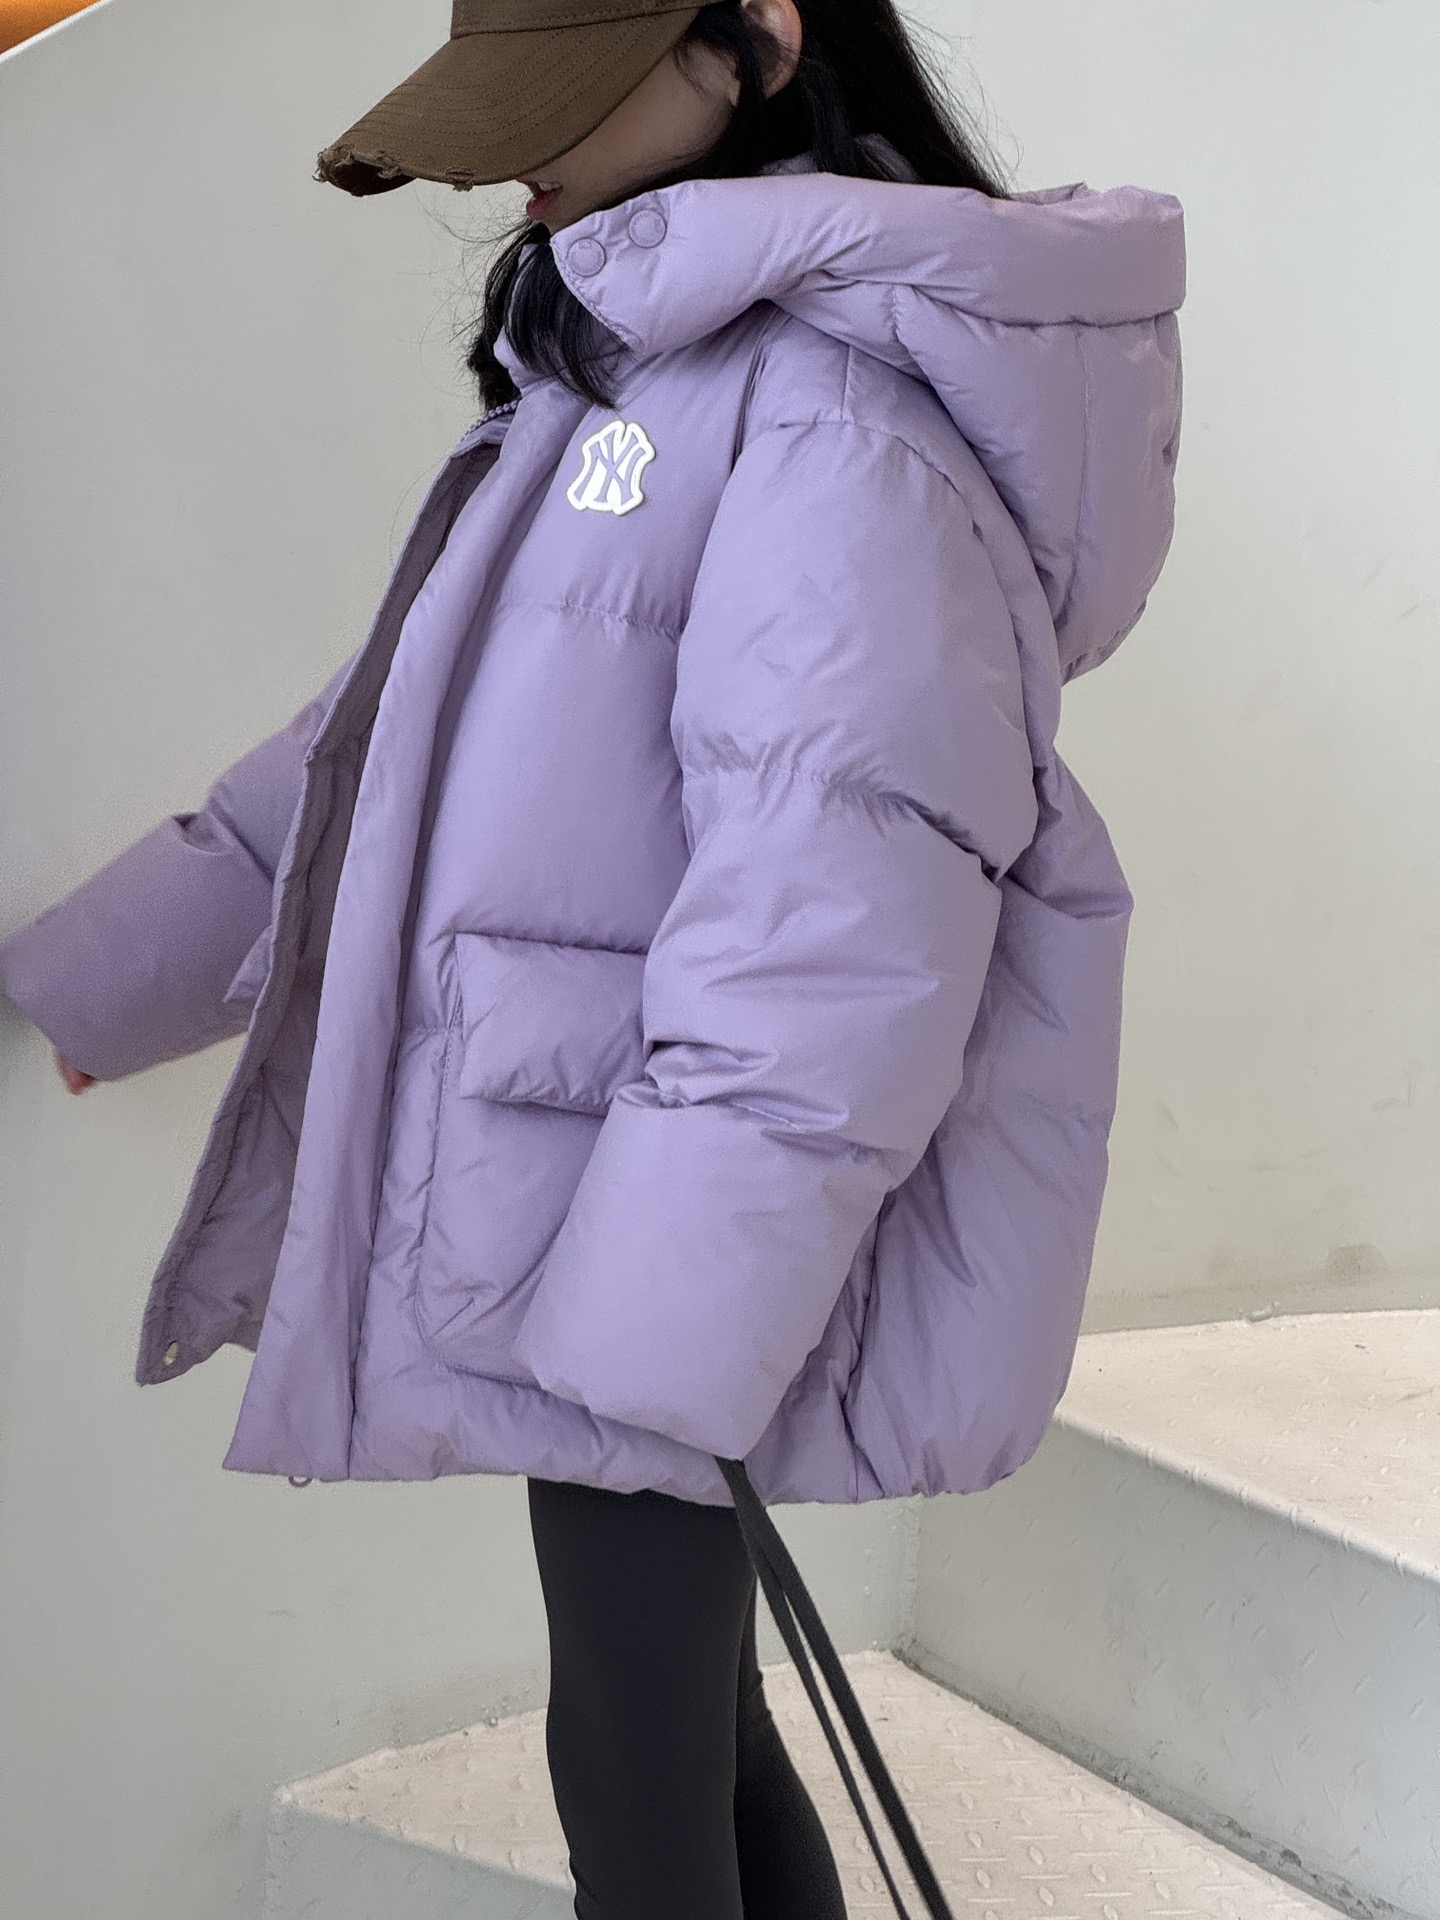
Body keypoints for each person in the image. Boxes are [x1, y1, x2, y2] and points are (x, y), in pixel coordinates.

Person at [0, 0, 1185, 1912]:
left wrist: (662, 1323)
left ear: (760, 35)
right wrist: (116, 968)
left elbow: (839, 921)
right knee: (681, 1751)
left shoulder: (831, 418)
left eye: (556, 91)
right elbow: (394, 736)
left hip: (656, 1231)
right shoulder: (650, 372)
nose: (509, 155)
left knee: (639, 1779)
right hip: (605, 1209)